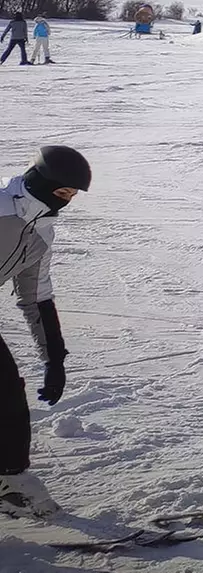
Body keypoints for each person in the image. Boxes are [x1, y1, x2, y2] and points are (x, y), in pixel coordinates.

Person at [0, 145, 91, 517]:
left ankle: (10, 481)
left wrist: (54, 360)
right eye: (62, 192)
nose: (66, 201)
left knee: (7, 393)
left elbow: (36, 297)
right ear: (41, 180)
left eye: (71, 195)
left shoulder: (40, 232)